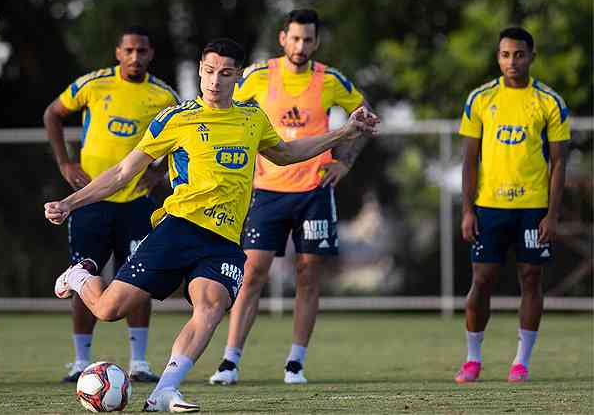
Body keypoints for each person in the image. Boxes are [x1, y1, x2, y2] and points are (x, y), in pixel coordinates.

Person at [44, 38, 379, 412]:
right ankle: (79, 274)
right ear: (200, 72)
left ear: (237, 77)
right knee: (107, 310)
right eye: (208, 72)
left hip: (223, 240)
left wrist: (344, 133)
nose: (214, 81)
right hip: (178, 229)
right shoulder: (177, 118)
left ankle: (165, 391)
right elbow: (124, 172)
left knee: (211, 305)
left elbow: (286, 154)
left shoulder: (252, 119)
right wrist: (70, 203)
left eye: (224, 73)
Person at [209, 9, 373, 385]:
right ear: (283, 38)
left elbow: (363, 118)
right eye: (295, 38)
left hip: (314, 192)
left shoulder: (331, 80)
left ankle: (295, 363)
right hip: (267, 192)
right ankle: (230, 361)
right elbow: (219, 111)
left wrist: (344, 163)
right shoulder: (256, 75)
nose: (301, 46)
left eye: (308, 39)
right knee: (251, 273)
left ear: (316, 42)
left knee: (308, 274)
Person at [43, 26, 179, 383]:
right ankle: (79, 361)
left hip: (137, 203)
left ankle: (139, 362)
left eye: (143, 51)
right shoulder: (93, 84)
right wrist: (65, 163)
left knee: (140, 279)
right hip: (92, 201)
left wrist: (160, 173)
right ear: (118, 52)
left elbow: (183, 139)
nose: (136, 57)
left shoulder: (164, 95)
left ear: (151, 54)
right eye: (129, 50)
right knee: (83, 277)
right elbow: (52, 114)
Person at [454, 26, 570, 384]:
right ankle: (473, 359)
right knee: (482, 281)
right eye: (505, 55)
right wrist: (468, 210)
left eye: (519, 54)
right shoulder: (480, 99)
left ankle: (521, 361)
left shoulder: (550, 102)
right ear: (498, 57)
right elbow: (469, 160)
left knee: (531, 279)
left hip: (533, 208)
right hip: (489, 207)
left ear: (531, 57)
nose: (512, 61)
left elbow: (559, 163)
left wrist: (552, 214)